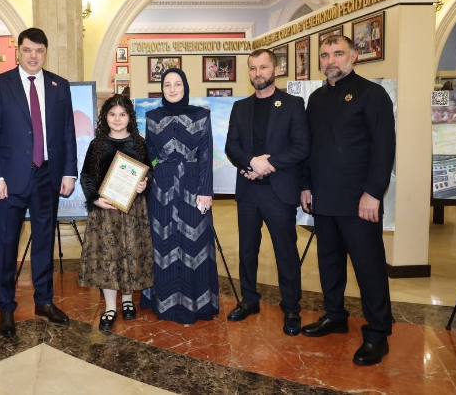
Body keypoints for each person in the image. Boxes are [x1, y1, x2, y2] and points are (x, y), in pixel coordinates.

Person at [300, 34, 395, 366]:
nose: (331, 60)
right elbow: (310, 148)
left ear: (354, 57)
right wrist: (306, 186)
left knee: (369, 268)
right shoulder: (316, 99)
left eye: (338, 53)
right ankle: (335, 316)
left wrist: (373, 192)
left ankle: (378, 333)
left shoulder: (372, 94)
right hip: (324, 199)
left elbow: (384, 147)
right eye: (325, 55)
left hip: (359, 202)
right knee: (329, 262)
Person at [0, 27, 77, 337]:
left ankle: (44, 301)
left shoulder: (59, 86)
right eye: (27, 50)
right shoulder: (0, 85)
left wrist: (69, 172)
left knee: (44, 240)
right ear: (18, 51)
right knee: (6, 244)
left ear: (45, 53)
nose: (33, 56)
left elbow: (67, 131)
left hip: (47, 175)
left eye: (39, 51)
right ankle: (5, 307)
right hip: (10, 179)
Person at [225, 48, 310, 335]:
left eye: (263, 67)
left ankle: (292, 308)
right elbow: (231, 146)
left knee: (285, 252)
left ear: (275, 69)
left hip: (279, 193)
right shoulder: (240, 107)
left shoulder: (293, 104)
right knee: (247, 251)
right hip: (248, 191)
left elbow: (301, 147)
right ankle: (249, 300)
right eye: (253, 68)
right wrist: (251, 162)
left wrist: (266, 164)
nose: (258, 73)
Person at [140, 68, 217, 324]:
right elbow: (150, 155)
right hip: (160, 188)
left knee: (194, 242)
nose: (172, 89)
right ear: (161, 89)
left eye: (177, 84)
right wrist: (148, 177)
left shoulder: (200, 115)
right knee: (163, 243)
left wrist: (205, 190)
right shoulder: (152, 117)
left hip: (193, 185)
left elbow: (206, 154)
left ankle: (198, 303)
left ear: (185, 87)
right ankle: (163, 302)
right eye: (167, 85)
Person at [77, 94, 154, 331]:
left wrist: (144, 183)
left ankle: (128, 300)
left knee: (130, 254)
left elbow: (148, 171)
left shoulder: (139, 143)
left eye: (122, 114)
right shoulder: (97, 144)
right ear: (105, 117)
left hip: (133, 212)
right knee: (108, 258)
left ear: (130, 117)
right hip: (105, 212)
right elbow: (86, 176)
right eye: (112, 114)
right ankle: (110, 307)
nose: (117, 119)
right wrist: (95, 199)